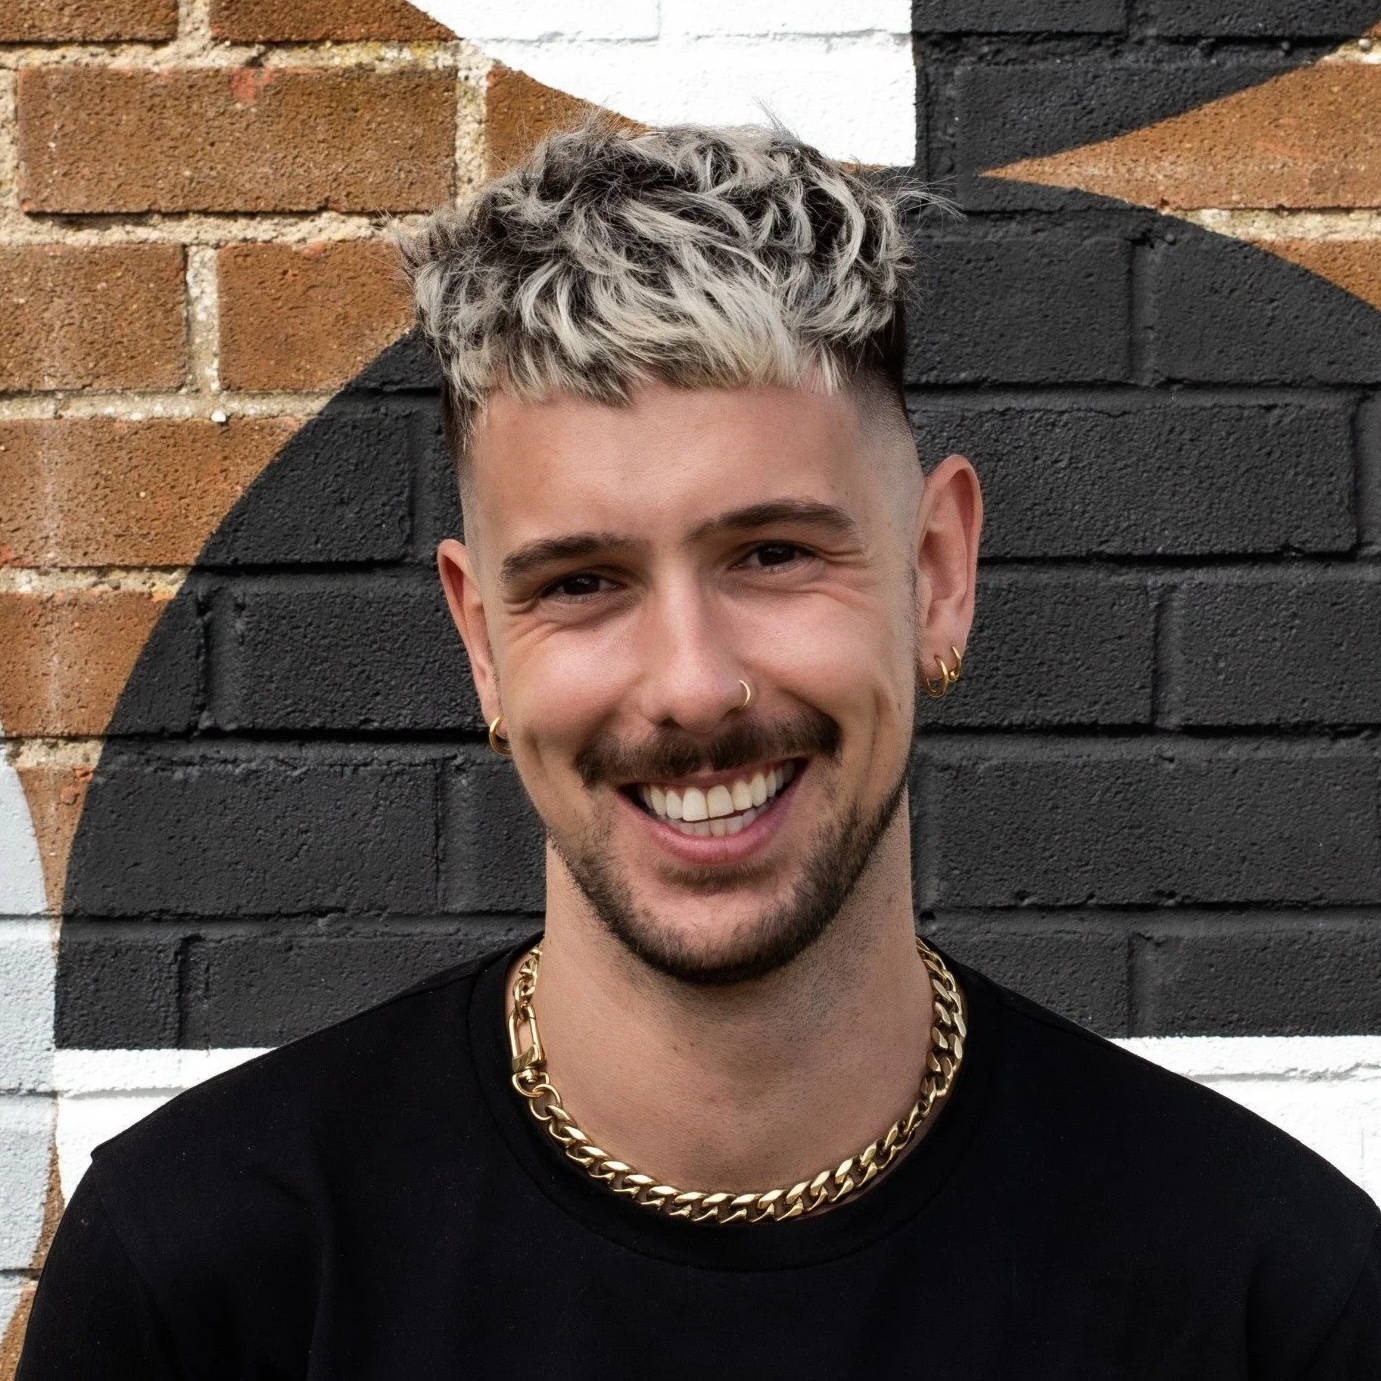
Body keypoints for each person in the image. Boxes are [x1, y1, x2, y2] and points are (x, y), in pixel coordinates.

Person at [17, 122, 1381, 1380]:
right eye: (581, 583)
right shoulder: (200, 1289)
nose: (693, 685)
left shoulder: (1272, 1298)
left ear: (938, 571)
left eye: (774, 554)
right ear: (482, 641)